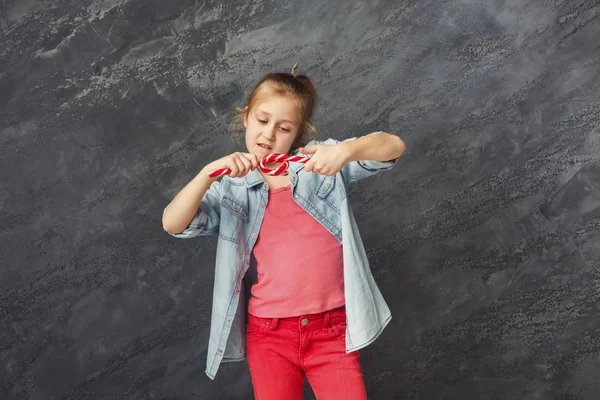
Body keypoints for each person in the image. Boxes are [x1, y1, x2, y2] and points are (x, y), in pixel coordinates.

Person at [162, 64, 406, 400]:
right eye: (262, 121)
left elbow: (393, 146)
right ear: (246, 117)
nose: (269, 134)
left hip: (332, 331)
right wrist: (207, 174)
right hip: (268, 335)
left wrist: (346, 151)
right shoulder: (232, 188)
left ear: (298, 133)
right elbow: (173, 223)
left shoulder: (320, 163)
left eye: (284, 127)